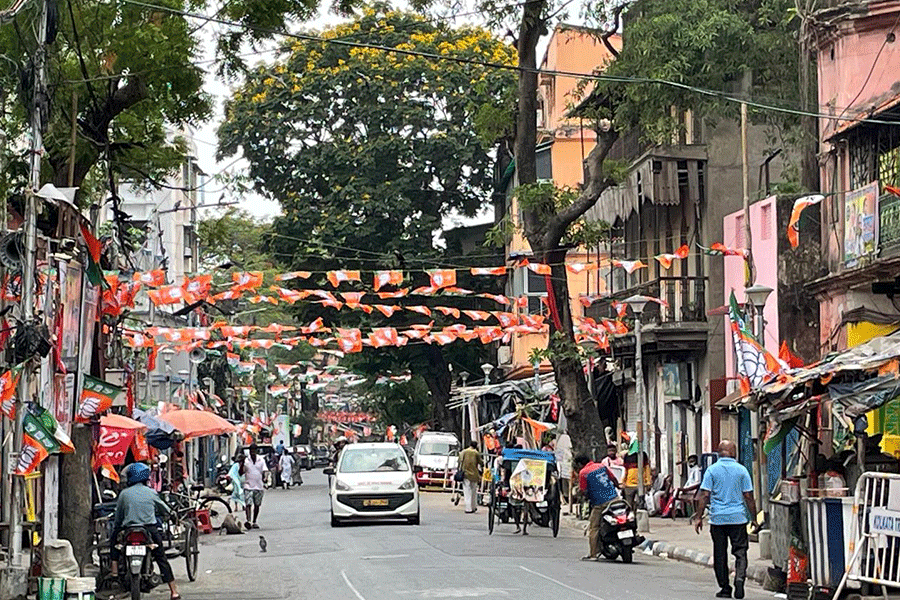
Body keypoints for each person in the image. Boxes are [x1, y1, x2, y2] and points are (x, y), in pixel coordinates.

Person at [695, 440, 757, 600]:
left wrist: (698, 517)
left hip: (718, 519)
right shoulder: (742, 470)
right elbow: (749, 497)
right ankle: (740, 578)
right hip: (738, 518)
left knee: (720, 554)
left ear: (719, 452)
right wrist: (754, 518)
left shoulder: (711, 470)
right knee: (741, 552)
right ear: (733, 453)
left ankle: (725, 588)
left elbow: (704, 495)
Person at [109, 463, 181, 600]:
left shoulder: (124, 494)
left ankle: (114, 572)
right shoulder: (151, 492)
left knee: (114, 542)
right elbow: (164, 509)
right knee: (161, 558)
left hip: (128, 530)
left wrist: (117, 527)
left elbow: (118, 516)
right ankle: (173, 591)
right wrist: (171, 514)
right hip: (149, 530)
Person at [574, 454, 620, 561]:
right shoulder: (601, 466)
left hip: (600, 503)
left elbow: (583, 491)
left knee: (594, 527)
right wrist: (618, 488)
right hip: (615, 499)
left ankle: (593, 554)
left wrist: (585, 497)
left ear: (580, 464)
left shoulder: (583, 473)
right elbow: (613, 479)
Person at [240, 444, 268, 530]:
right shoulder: (246, 461)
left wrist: (265, 478)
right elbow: (241, 472)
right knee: (248, 503)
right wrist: (241, 464)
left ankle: (254, 521)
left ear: (256, 451)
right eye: (251, 451)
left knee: (257, 505)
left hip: (259, 485)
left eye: (254, 451)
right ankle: (248, 521)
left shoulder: (261, 460)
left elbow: (265, 470)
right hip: (248, 485)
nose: (252, 453)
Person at [457, 441, 483, 514]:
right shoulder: (476, 453)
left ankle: (468, 508)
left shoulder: (464, 452)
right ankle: (474, 506)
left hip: (466, 474)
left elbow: (459, 460)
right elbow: (481, 462)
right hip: (474, 474)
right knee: (474, 491)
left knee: (467, 491)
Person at [554, 432, 573, 505]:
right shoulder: (563, 440)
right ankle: (567, 499)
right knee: (566, 485)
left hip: (565, 469)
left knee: (566, 485)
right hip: (564, 468)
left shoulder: (562, 441)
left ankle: (568, 499)